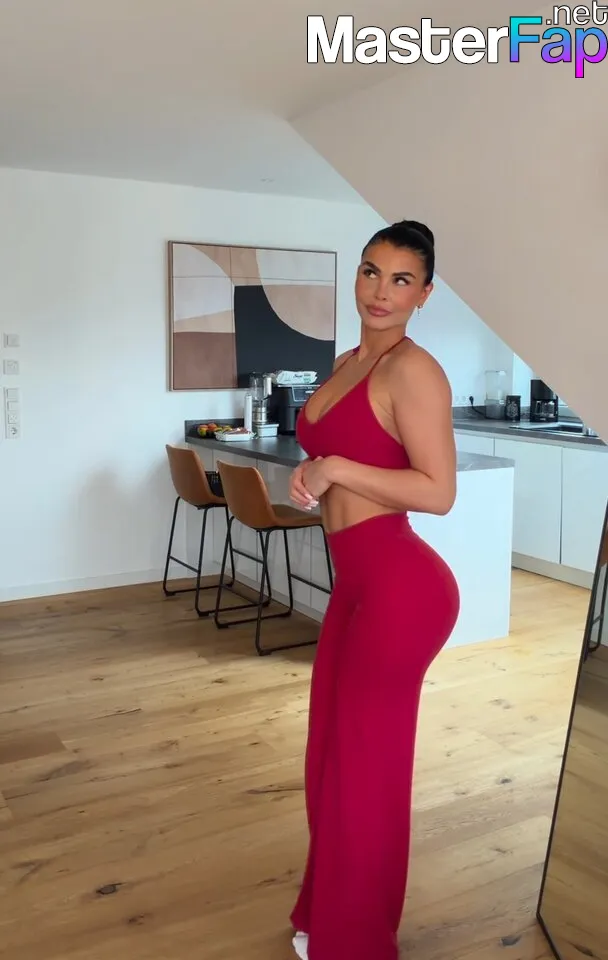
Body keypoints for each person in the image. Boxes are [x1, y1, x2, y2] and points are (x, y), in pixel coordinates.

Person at [287, 219, 461, 960]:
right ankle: (328, 911)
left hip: (400, 589)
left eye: (400, 279)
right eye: (370, 271)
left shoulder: (414, 371)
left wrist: (335, 469)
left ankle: (355, 941)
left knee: (364, 769)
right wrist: (312, 474)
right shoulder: (348, 361)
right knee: (328, 755)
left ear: (425, 294)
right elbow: (337, 457)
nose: (380, 291)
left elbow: (438, 491)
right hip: (355, 584)